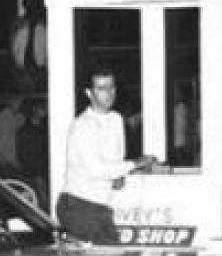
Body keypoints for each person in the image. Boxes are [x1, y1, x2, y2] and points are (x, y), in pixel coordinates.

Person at [57, 70, 156, 244]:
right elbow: (96, 170)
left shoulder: (116, 119)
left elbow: (115, 161)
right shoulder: (82, 126)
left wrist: (119, 174)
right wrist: (135, 164)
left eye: (111, 87)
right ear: (89, 93)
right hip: (79, 205)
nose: (108, 93)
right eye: (101, 88)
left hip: (100, 206)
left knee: (110, 255)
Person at [0, 95, 26, 173]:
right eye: (18, 100)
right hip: (6, 162)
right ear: (10, 101)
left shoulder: (21, 118)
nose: (20, 103)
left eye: (21, 101)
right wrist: (0, 157)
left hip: (19, 161)